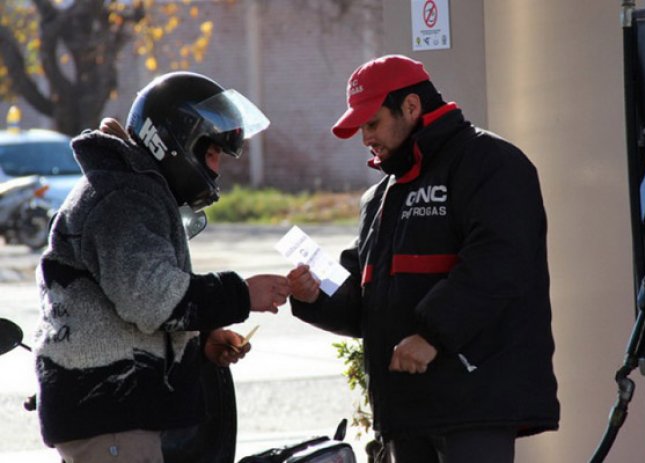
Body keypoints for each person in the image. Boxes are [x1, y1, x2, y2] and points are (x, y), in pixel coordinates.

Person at [288, 55, 559, 462]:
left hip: (476, 404)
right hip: (406, 410)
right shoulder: (379, 197)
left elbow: (499, 263)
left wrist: (432, 335)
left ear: (412, 107)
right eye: (361, 127)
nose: (366, 138)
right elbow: (366, 304)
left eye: (373, 123)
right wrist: (312, 296)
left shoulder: (492, 162)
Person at [33, 71, 290, 463]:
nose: (216, 169)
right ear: (176, 142)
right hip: (110, 413)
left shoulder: (131, 187)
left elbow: (129, 308)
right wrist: (242, 293)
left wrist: (199, 342)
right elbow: (151, 298)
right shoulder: (123, 198)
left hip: (115, 412)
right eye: (212, 153)